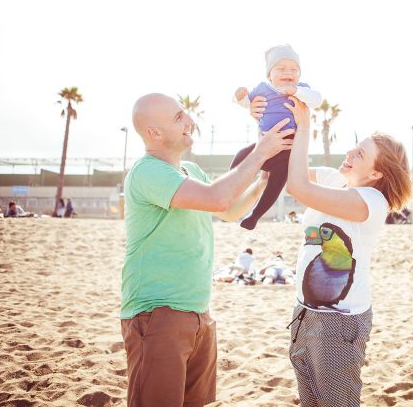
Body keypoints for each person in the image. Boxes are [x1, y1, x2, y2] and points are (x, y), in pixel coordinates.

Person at [120, 93, 293, 407]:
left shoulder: (192, 171)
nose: (190, 121)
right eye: (178, 118)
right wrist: (260, 152)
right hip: (157, 313)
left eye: (185, 113)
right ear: (154, 133)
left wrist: (262, 180)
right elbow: (218, 199)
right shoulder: (148, 172)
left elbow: (228, 210)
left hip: (198, 312)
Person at [269, 97, 413, 407]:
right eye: (354, 147)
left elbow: (298, 187)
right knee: (312, 401)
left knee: (338, 403)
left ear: (376, 174)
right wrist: (270, 110)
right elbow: (286, 167)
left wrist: (307, 125)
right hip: (305, 312)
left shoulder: (372, 201)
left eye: (360, 154)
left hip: (338, 321)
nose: (349, 154)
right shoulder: (339, 180)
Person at [232, 44, 322, 230]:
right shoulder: (263, 89)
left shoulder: (302, 89)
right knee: (242, 154)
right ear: (269, 75)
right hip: (263, 145)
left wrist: (296, 92)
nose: (288, 72)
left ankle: (255, 216)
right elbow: (246, 102)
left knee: (277, 181)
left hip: (287, 151)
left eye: (294, 69)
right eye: (281, 68)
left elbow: (317, 99)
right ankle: (228, 188)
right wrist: (239, 97)